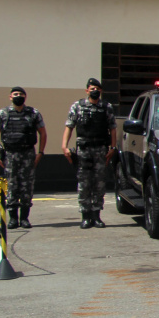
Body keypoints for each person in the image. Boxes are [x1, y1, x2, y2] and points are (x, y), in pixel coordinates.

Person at [62, 78, 117, 229]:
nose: (95, 91)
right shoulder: (77, 106)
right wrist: (64, 146)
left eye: (98, 89)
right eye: (92, 88)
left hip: (100, 149)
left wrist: (113, 147)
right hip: (83, 150)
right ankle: (85, 216)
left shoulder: (106, 107)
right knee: (84, 183)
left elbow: (112, 128)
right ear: (87, 90)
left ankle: (96, 216)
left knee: (99, 183)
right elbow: (69, 126)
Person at [0, 87, 47, 229]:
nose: (18, 96)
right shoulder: (2, 113)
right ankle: (13, 219)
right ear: (10, 97)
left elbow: (42, 133)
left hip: (28, 154)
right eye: (16, 94)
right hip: (10, 154)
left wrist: (40, 152)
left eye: (21, 94)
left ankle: (24, 218)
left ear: (25, 97)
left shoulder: (33, 113)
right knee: (12, 186)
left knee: (27, 186)